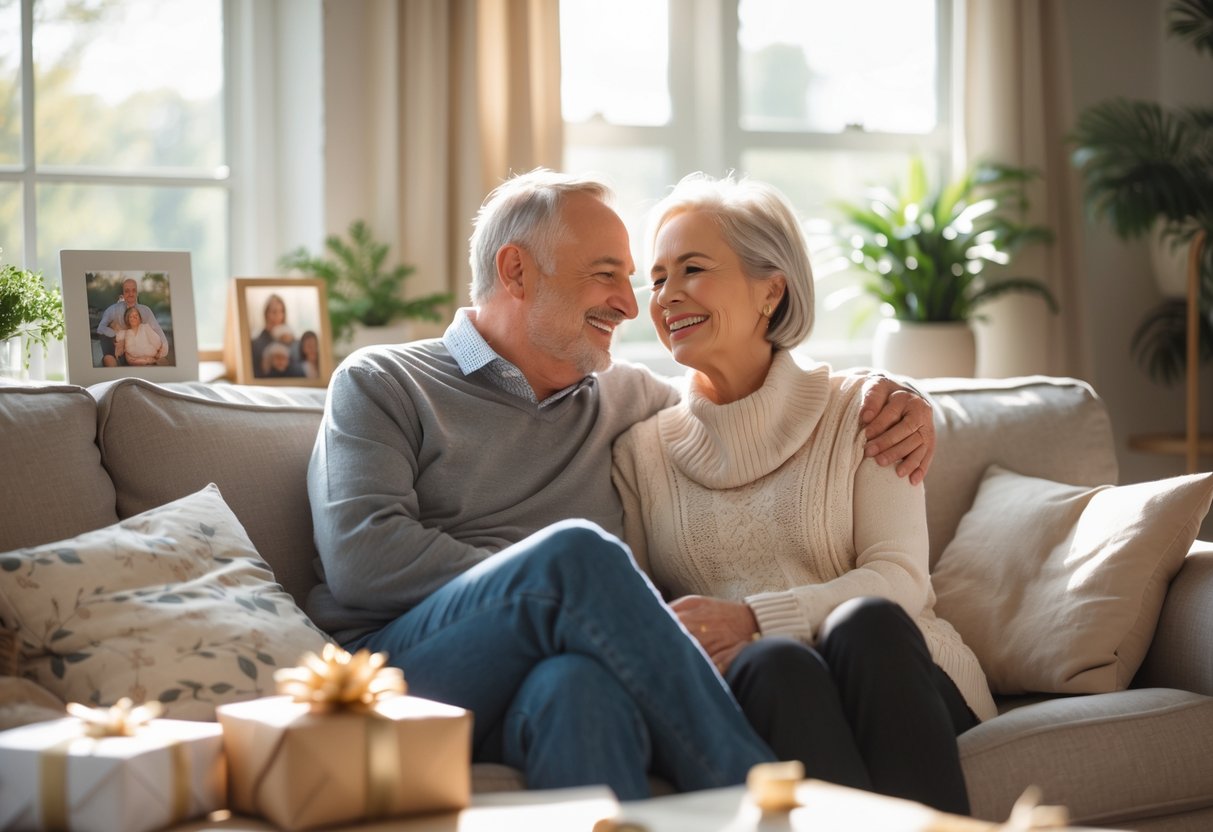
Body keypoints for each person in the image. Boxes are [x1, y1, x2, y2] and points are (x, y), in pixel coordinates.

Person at [306, 169, 937, 800]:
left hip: (548, 673)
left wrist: (903, 398)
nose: (635, 305)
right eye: (606, 274)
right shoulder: (384, 382)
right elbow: (364, 559)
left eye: (639, 280)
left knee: (581, 692)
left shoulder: (627, 399)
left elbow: (744, 399)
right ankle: (768, 806)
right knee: (575, 557)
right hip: (407, 671)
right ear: (517, 271)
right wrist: (551, 583)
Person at [611, 173, 996, 815]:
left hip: (895, 676)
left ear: (771, 290)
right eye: (656, 279)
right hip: (768, 691)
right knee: (775, 665)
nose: (666, 296)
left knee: (865, 622)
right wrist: (757, 638)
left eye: (692, 269)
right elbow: (656, 618)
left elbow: (900, 579)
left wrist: (757, 616)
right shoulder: (639, 452)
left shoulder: (866, 409)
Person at [95, 278, 169, 367]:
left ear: (137, 293)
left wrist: (162, 351)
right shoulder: (112, 310)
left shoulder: (145, 311)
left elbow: (158, 331)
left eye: (134, 291)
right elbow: (100, 328)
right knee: (108, 359)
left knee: (163, 360)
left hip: (143, 352)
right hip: (122, 354)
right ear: (123, 293)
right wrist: (115, 335)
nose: (131, 294)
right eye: (127, 291)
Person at [251, 294, 300, 377]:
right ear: (266, 314)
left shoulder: (293, 341)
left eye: (282, 312)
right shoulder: (256, 344)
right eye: (274, 312)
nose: (278, 316)